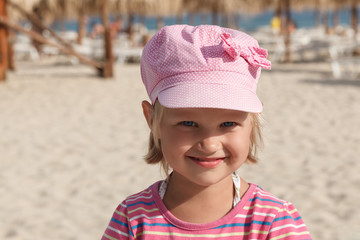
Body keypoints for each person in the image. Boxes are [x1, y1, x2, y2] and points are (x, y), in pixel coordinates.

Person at [101, 24, 312, 239]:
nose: (209, 144)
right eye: (189, 123)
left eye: (228, 124)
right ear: (152, 119)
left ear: (252, 123)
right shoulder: (132, 218)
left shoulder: (273, 221)